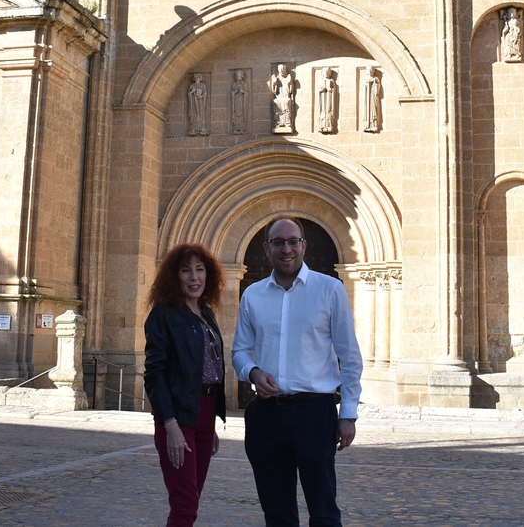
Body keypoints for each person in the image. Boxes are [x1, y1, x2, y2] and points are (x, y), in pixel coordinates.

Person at [232, 218, 363, 527]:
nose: (286, 249)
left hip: (314, 415)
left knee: (324, 511)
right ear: (267, 249)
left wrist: (348, 413)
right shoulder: (252, 295)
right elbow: (239, 351)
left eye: (293, 241)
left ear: (304, 246)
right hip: (267, 416)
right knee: (277, 514)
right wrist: (253, 373)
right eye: (278, 242)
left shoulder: (330, 289)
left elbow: (349, 356)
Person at [144, 244, 227, 527]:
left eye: (200, 269)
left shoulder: (206, 313)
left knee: (192, 498)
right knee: (185, 505)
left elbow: (206, 369)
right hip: (178, 417)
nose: (194, 277)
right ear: (174, 276)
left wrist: (209, 424)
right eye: (186, 270)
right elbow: (154, 373)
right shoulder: (164, 314)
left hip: (205, 412)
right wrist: (170, 424)